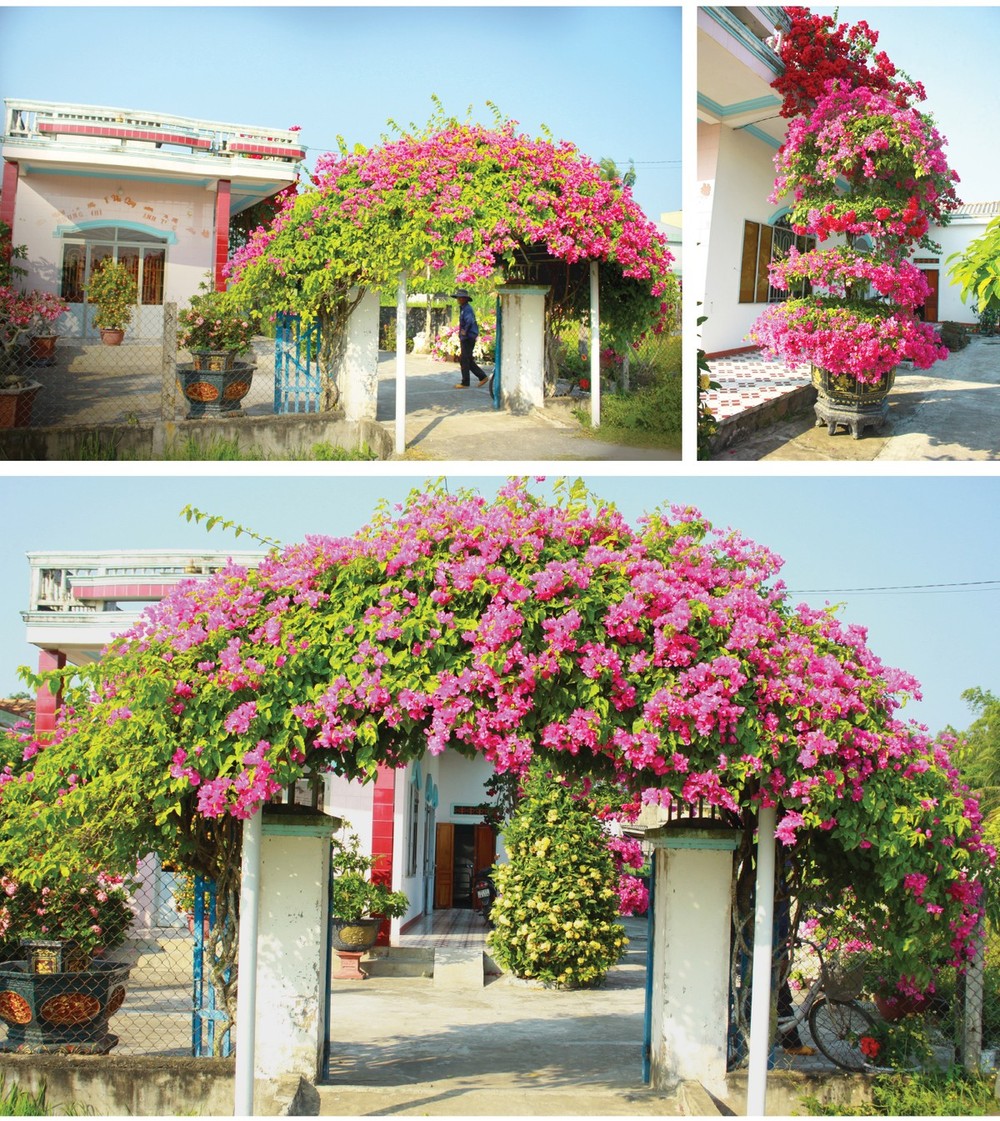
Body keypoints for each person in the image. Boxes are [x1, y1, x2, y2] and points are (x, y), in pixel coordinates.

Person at [451, 289, 490, 389]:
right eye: (458, 297)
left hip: (468, 337)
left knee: (464, 359)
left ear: (465, 299)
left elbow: (469, 320)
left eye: (460, 297)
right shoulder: (464, 308)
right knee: (466, 359)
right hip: (467, 337)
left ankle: (466, 382)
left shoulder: (467, 309)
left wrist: (465, 331)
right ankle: (482, 377)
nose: (459, 299)